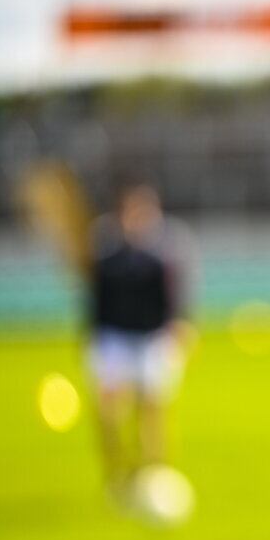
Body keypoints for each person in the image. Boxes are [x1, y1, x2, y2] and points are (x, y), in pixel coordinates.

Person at [86, 180, 196, 507]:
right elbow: (96, 298)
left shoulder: (164, 250)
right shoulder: (105, 249)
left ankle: (154, 473)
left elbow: (175, 297)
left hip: (152, 337)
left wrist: (180, 326)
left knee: (151, 407)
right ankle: (118, 474)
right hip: (114, 336)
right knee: (109, 412)